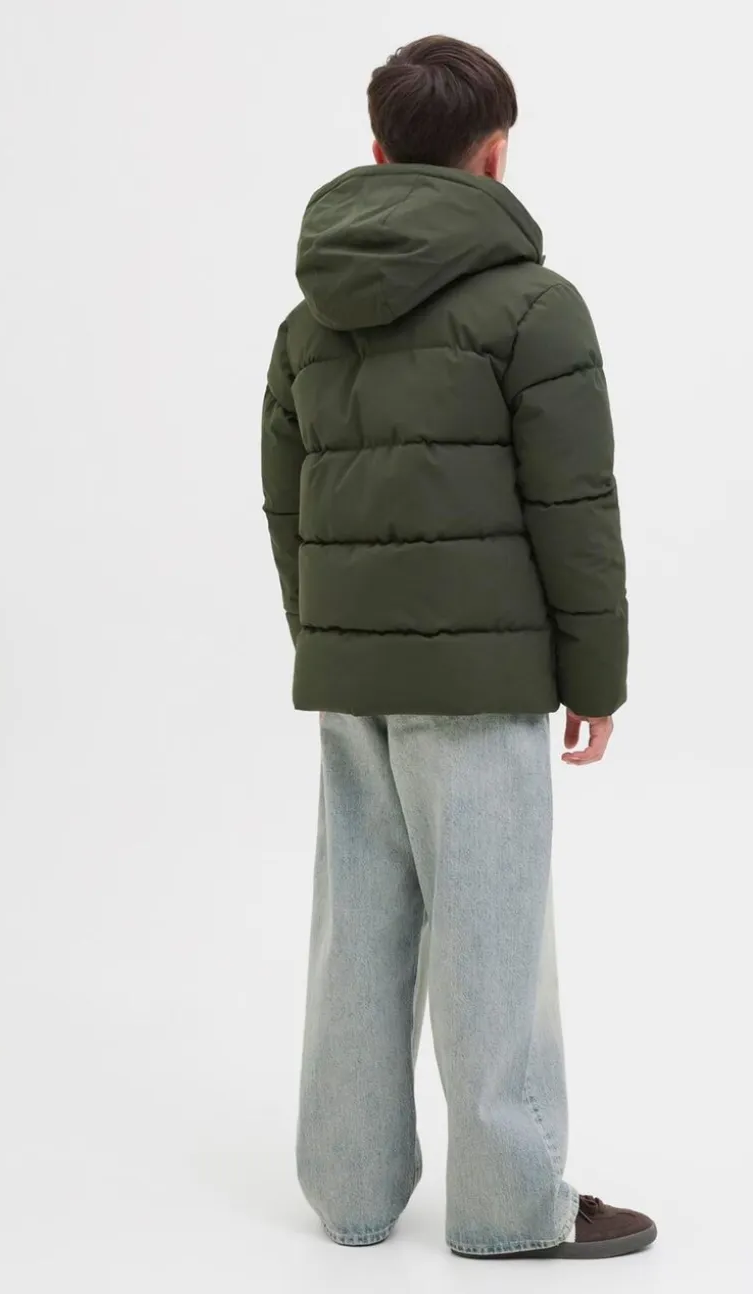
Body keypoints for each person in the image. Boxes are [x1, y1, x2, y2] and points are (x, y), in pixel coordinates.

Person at [261, 33, 655, 1261]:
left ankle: (350, 1194)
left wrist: (329, 638)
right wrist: (595, 677)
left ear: (378, 151)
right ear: (495, 154)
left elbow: (286, 502)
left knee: (358, 932)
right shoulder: (533, 305)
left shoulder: (309, 318)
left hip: (354, 676)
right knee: (494, 945)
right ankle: (509, 1209)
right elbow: (573, 507)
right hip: (481, 686)